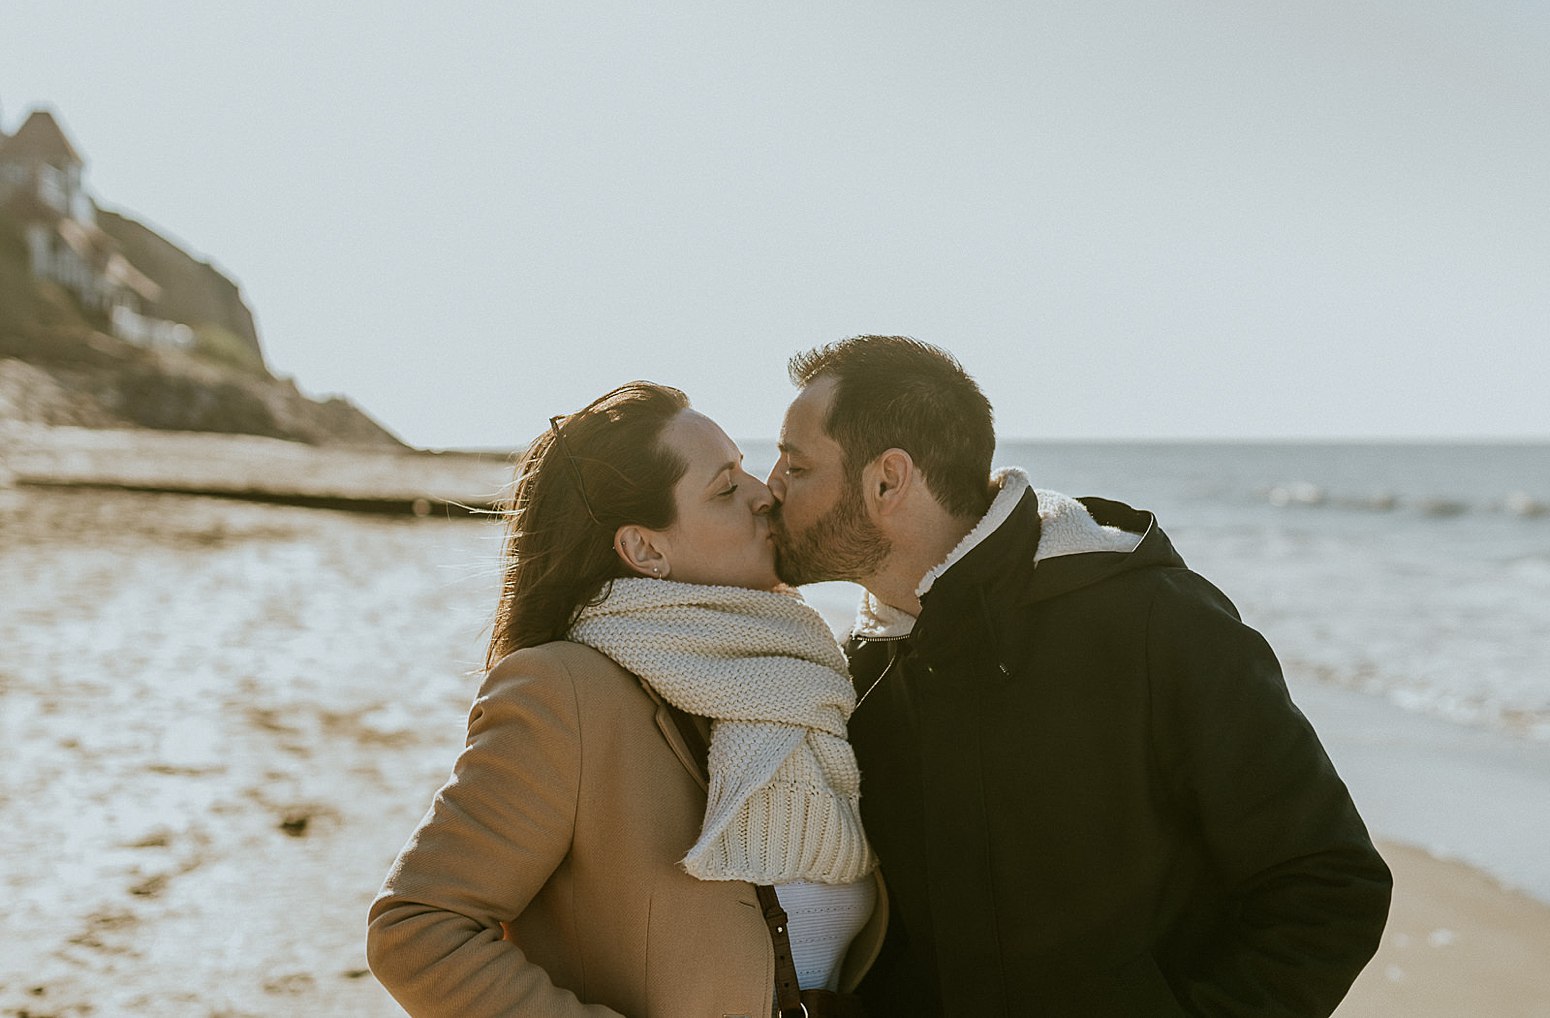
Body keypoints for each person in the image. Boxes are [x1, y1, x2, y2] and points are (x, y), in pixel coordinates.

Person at [766, 337, 1392, 1017]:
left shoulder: (1152, 621)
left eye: (795, 466)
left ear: (887, 480)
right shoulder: (862, 670)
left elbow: (1330, 883)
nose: (768, 487)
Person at [368, 382, 884, 1017]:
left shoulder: (805, 680)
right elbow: (417, 928)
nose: (764, 495)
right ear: (645, 549)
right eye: (725, 489)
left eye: (746, 471)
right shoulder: (563, 691)